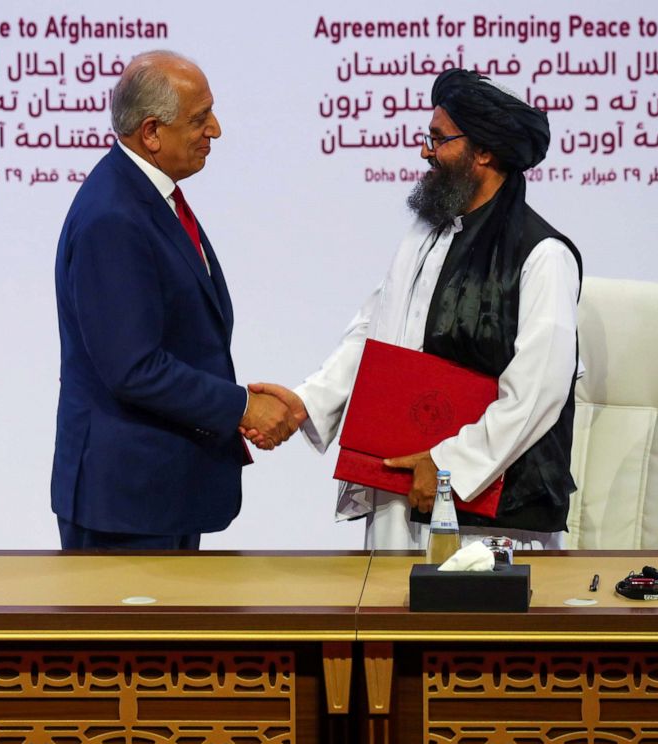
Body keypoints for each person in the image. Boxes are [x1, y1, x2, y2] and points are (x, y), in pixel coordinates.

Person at [247, 69, 582, 550]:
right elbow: (375, 332)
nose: (426, 151)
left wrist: (449, 466)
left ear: (484, 151)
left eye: (438, 139)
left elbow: (537, 393)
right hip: (402, 488)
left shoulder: (543, 255)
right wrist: (308, 403)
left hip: (490, 515)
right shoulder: (427, 233)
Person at [52, 50, 296, 550]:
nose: (217, 130)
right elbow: (134, 367)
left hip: (159, 492)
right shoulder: (114, 218)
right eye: (200, 119)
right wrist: (242, 407)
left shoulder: (145, 196)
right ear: (151, 132)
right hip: (127, 505)